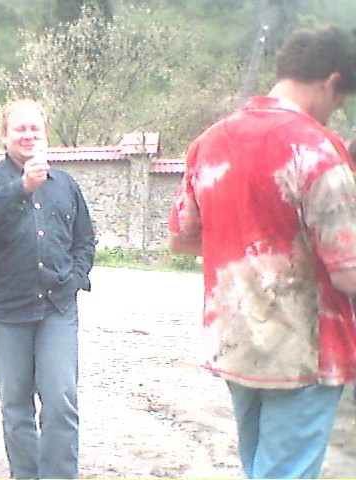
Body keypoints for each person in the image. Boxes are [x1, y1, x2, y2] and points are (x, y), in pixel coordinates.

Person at [167, 26, 356, 479]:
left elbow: (180, 238)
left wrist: (246, 248)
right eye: (338, 101)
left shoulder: (211, 142)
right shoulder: (317, 150)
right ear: (331, 82)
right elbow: (347, 271)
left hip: (236, 342)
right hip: (304, 350)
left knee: (260, 470)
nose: (332, 112)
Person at [0, 98, 96, 479]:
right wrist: (22, 187)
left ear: (45, 134)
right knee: (16, 406)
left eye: (35, 128)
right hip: (4, 310)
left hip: (57, 308)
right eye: (20, 128)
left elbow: (84, 240)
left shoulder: (66, 184)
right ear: (4, 135)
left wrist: (75, 278)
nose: (28, 135)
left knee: (61, 400)